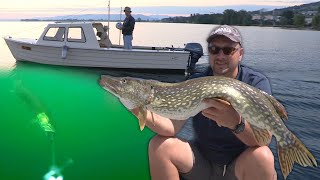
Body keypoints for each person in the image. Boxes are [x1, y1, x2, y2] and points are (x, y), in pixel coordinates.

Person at [131, 25, 277, 180]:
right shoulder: (196, 82)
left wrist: (236, 123)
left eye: (228, 50)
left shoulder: (255, 83)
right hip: (203, 163)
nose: (220, 55)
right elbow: (171, 127)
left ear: (240, 53)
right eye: (214, 49)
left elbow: (264, 139)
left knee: (263, 156)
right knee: (159, 145)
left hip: (239, 166)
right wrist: (137, 106)